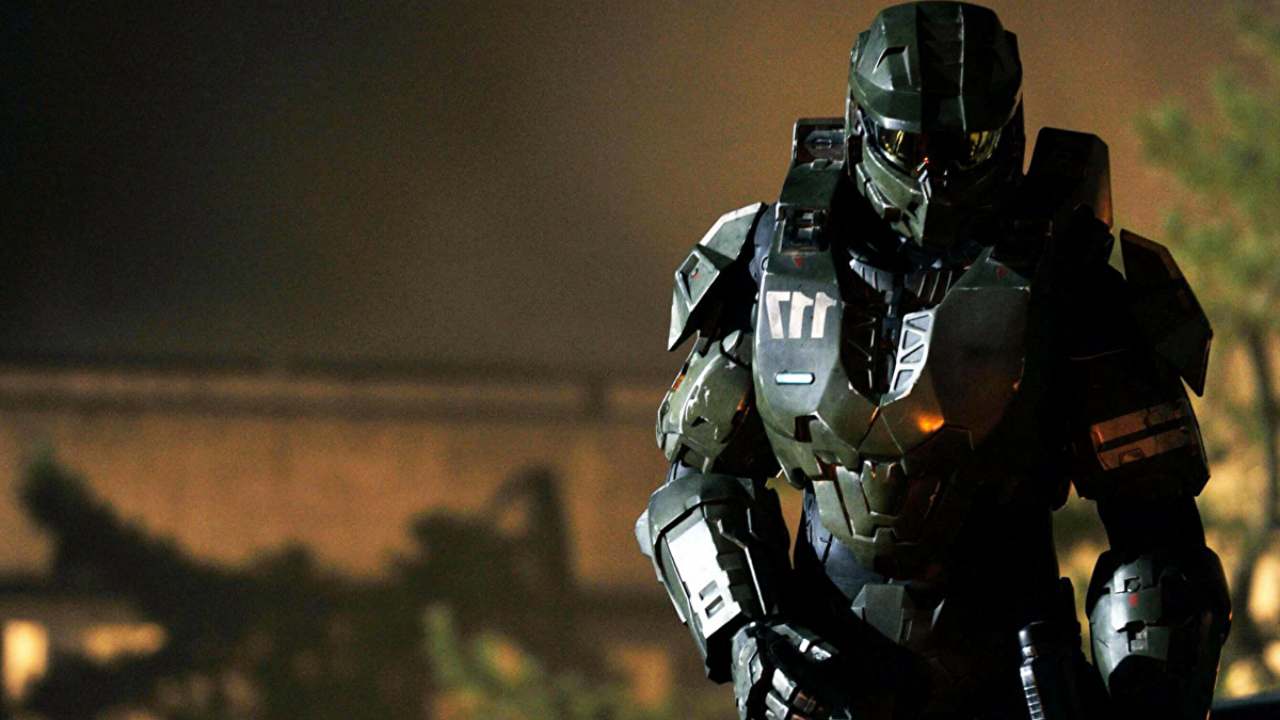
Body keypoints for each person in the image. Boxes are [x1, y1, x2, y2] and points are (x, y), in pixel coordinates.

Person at [634, 3, 1230, 719]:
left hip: (1011, 682)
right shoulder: (771, 265)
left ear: (1006, 130)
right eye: (905, 142)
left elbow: (1158, 533)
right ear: (861, 128)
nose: (931, 175)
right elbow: (698, 480)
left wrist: (1144, 697)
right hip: (821, 683)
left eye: (963, 144)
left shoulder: (1067, 279)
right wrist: (750, 638)